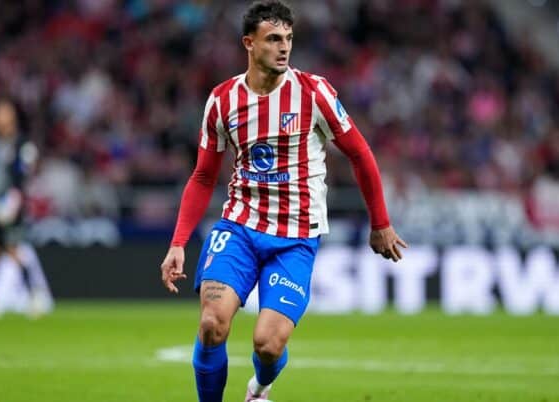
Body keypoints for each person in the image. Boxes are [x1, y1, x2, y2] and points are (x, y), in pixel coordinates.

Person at [159, 1, 407, 401]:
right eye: (273, 38)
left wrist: (380, 222)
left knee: (268, 345)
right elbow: (204, 175)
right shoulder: (222, 100)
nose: (284, 47)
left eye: (288, 38)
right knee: (211, 324)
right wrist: (178, 242)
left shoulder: (314, 93)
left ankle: (259, 388)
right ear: (249, 43)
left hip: (295, 238)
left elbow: (360, 154)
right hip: (239, 228)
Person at [0, 97, 40, 318]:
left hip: (11, 206)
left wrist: (13, 202)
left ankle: (34, 294)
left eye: (3, 112)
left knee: (12, 250)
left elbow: (23, 174)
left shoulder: (22, 144)